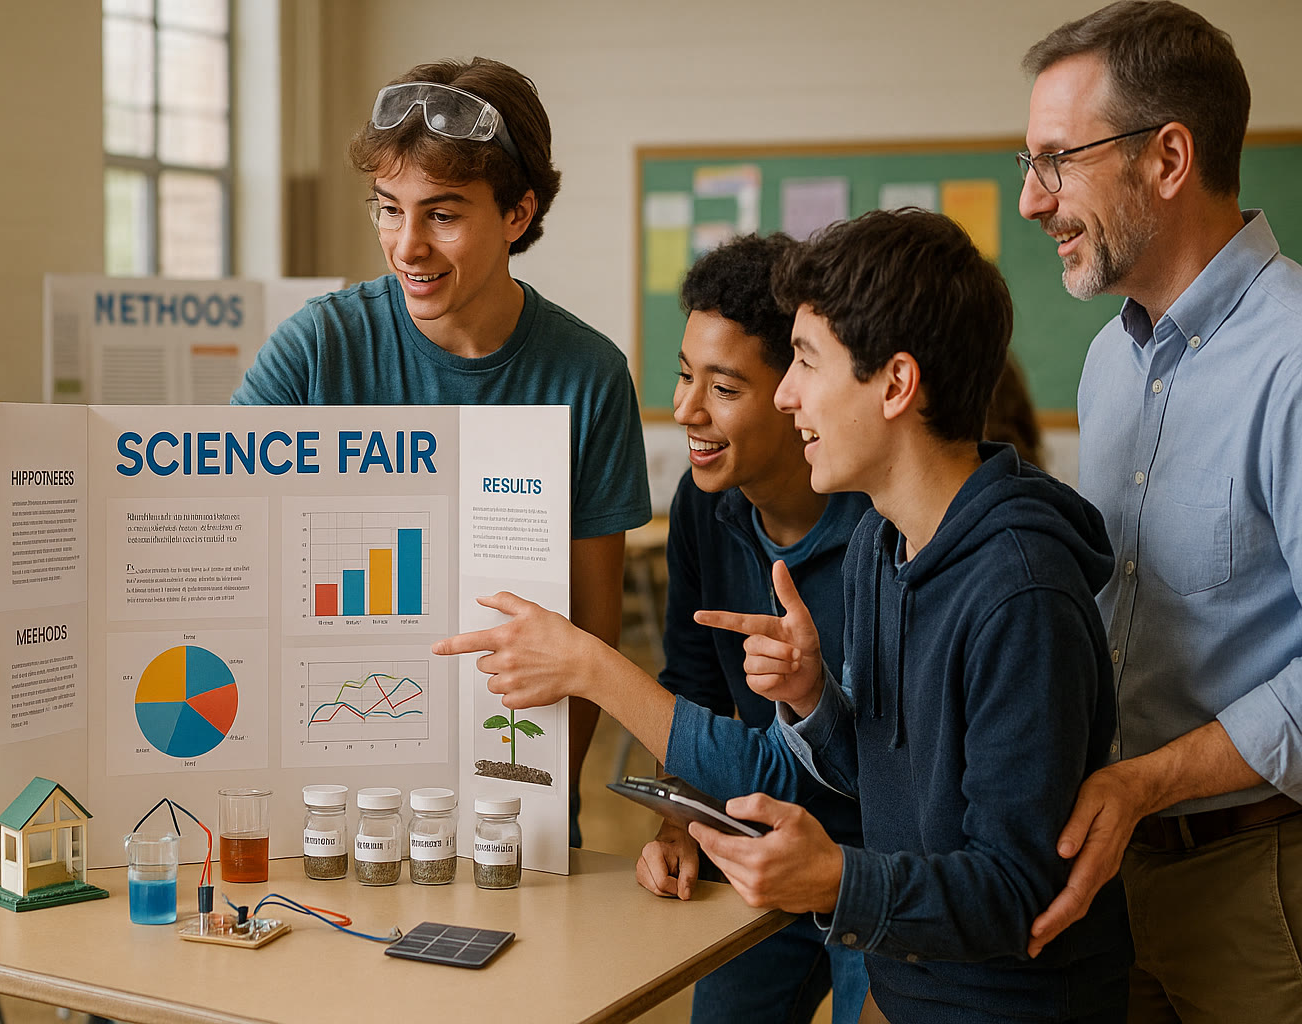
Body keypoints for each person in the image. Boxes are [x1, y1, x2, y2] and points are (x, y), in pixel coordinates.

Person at [680, 209, 1132, 1022]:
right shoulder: (881, 548)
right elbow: (904, 792)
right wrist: (815, 699)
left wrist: (834, 880)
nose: (787, 396)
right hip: (911, 986)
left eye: (807, 364)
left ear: (895, 383)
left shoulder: (1020, 592)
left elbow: (1014, 885)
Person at [439, 232, 871, 1022]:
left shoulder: (879, 531)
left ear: (795, 390)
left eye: (725, 387)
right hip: (752, 854)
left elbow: (816, 768)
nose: (685, 412)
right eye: (682, 375)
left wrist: (593, 667)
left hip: (871, 875)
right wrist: (681, 816)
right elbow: (694, 686)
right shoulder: (706, 511)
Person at [230, 59, 650, 843]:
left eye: (443, 216)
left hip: (506, 784)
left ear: (518, 214)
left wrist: (539, 801)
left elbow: (592, 631)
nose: (407, 245)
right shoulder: (318, 347)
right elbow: (226, 544)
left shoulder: (588, 376)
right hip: (334, 771)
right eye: (389, 209)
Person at [1017, 3, 1302, 1017]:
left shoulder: (1294, 358)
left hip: (1255, 882)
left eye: (1056, 161)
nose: (1028, 201)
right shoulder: (1107, 363)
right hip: (1111, 877)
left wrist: (1146, 782)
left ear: (1168, 156)